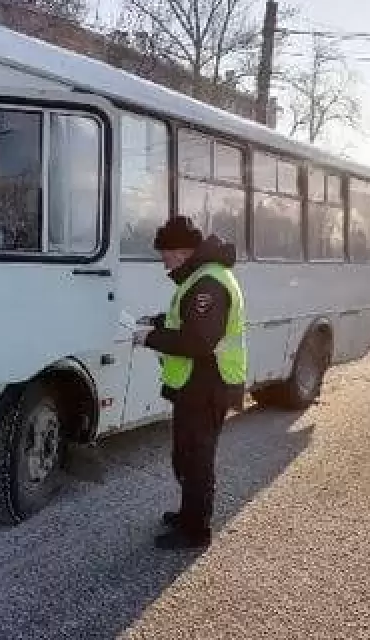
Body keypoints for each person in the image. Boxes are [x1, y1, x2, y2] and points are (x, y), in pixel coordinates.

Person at [132, 215, 247, 551]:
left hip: (210, 383)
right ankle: (188, 515)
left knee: (197, 460)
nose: (163, 262)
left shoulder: (207, 284)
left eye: (165, 254)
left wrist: (150, 337)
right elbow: (185, 324)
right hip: (197, 384)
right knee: (186, 456)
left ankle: (196, 531)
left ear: (181, 252)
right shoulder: (199, 278)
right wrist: (155, 322)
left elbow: (198, 342)